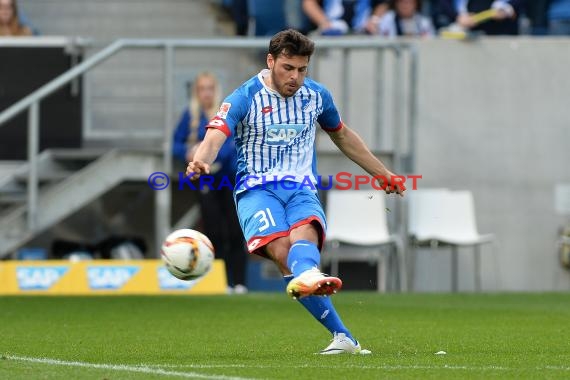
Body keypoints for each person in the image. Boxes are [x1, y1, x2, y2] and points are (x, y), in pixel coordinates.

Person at [186, 29, 405, 354]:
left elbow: (343, 136)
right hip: (256, 190)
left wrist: (382, 173)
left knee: (306, 236)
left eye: (302, 69)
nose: (295, 77)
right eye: (288, 68)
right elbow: (217, 134)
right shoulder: (244, 96)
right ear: (271, 61)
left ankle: (339, 332)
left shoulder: (316, 96)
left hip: (301, 187)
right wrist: (201, 161)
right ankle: (320, 296)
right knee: (282, 252)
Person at [173, 72, 248, 294]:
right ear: (197, 92)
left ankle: (241, 282)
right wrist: (189, 151)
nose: (206, 93)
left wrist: (208, 155)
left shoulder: (225, 113)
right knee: (214, 231)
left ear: (215, 90)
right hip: (205, 179)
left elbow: (232, 145)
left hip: (227, 176)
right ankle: (222, 282)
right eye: (201, 89)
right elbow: (174, 144)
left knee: (235, 230)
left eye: (209, 88)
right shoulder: (191, 115)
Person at [436, 0, 523, 35]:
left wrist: (508, 8)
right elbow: (444, 2)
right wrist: (457, 16)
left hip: (503, 30)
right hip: (468, 30)